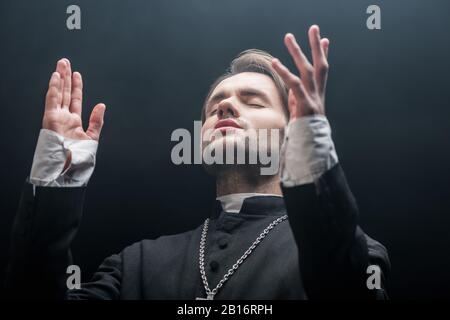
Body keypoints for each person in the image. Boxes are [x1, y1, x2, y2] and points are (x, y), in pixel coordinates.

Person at [5, 25, 390, 299]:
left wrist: (312, 146)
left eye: (253, 101)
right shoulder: (136, 265)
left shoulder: (354, 254)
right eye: (214, 106)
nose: (225, 106)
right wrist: (57, 179)